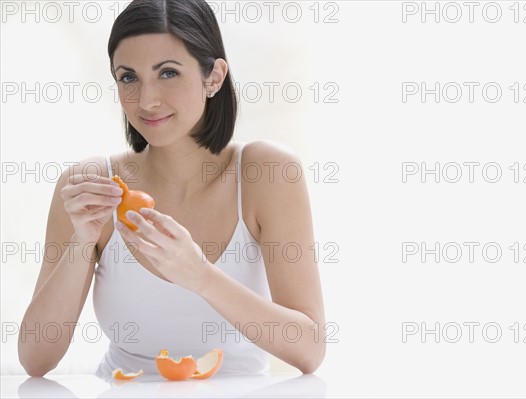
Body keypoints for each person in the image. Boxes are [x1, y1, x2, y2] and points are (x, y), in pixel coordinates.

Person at [18, 0, 326, 378]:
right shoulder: (89, 185)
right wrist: (82, 240)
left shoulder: (268, 173)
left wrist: (199, 275)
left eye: (168, 73)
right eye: (128, 77)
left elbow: (309, 349)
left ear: (213, 77)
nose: (147, 100)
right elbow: (35, 359)